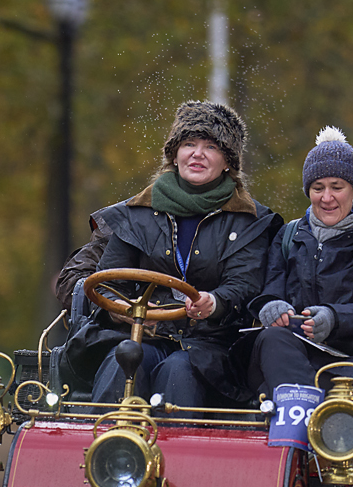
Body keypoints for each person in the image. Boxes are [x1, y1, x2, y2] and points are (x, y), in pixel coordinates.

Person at [60, 100, 280, 408]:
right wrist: (123, 308)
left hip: (209, 346)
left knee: (178, 372)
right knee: (122, 362)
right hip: (140, 336)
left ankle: (176, 452)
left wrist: (212, 303)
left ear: (228, 161)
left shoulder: (252, 221)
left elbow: (243, 285)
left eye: (212, 147)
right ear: (174, 154)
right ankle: (107, 448)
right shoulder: (135, 213)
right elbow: (110, 282)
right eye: (189, 143)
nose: (198, 154)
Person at [247, 127, 353, 403]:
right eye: (317, 188)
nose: (326, 198)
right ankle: (309, 418)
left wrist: (334, 319)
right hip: (290, 354)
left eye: (337, 187)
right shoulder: (287, 236)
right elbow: (268, 289)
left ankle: (306, 423)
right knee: (270, 340)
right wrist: (270, 306)